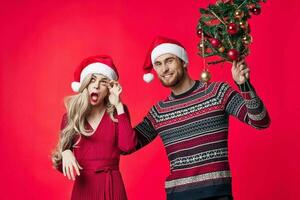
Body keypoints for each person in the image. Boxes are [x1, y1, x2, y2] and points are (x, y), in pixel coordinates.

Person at [132, 36, 270, 200]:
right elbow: (128, 145)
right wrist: (113, 107)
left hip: (217, 195)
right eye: (158, 64)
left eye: (169, 61)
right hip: (178, 196)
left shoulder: (217, 92)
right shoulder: (158, 111)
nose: (164, 69)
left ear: (183, 62)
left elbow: (260, 121)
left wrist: (244, 85)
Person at [52, 55, 137, 200]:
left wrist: (118, 105)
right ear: (85, 84)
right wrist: (65, 151)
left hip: (112, 187)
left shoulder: (118, 112)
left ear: (109, 88)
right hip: (84, 189)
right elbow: (64, 168)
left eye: (103, 82)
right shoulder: (71, 117)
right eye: (92, 80)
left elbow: (128, 146)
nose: (96, 86)